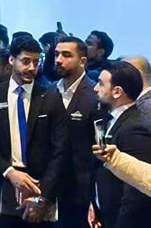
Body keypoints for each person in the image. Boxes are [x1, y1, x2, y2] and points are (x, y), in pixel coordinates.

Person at [0, 34, 68, 227]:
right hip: (4, 182)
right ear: (12, 60)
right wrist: (8, 171)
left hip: (40, 186)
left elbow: (60, 150)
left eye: (36, 62)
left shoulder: (50, 97)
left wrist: (43, 197)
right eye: (26, 61)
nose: (31, 68)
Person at [91, 60, 151, 228]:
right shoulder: (108, 118)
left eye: (101, 84)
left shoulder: (136, 128)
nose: (95, 88)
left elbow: (135, 192)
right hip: (104, 215)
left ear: (117, 92)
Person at [54, 36, 99, 228]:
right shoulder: (49, 91)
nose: (58, 60)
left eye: (66, 55)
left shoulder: (95, 95)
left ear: (82, 61)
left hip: (81, 192)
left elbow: (98, 148)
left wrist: (93, 197)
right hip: (51, 187)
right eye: (56, 54)